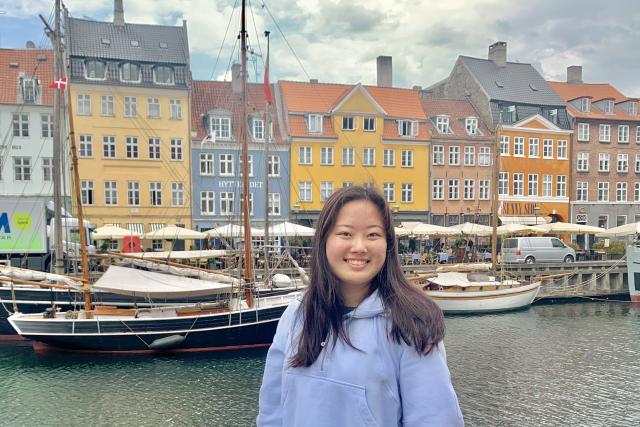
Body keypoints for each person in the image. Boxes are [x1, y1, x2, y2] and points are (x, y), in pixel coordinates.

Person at [257, 186, 463, 426]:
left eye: (373, 235)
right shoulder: (296, 316)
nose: (359, 246)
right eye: (345, 233)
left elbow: (435, 419)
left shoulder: (410, 324)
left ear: (388, 244)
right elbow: (272, 413)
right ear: (324, 240)